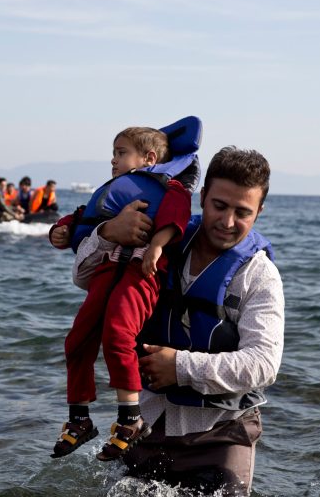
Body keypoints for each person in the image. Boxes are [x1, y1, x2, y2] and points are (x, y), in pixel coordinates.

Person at [72, 147, 284, 495]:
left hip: (222, 435)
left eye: (242, 212)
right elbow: (83, 276)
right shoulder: (163, 239)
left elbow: (264, 365)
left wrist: (181, 367)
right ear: (202, 197)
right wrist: (109, 231)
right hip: (147, 424)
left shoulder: (259, 275)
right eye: (219, 205)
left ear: (259, 212)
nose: (227, 221)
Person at [48, 123, 200, 462]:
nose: (113, 161)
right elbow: (84, 217)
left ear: (147, 159)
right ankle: (79, 419)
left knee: (118, 334)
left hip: (140, 273)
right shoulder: (117, 190)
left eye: (120, 153)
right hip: (106, 272)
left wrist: (156, 246)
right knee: (76, 340)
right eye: (113, 154)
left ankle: (130, 421)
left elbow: (176, 216)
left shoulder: (171, 187)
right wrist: (61, 230)